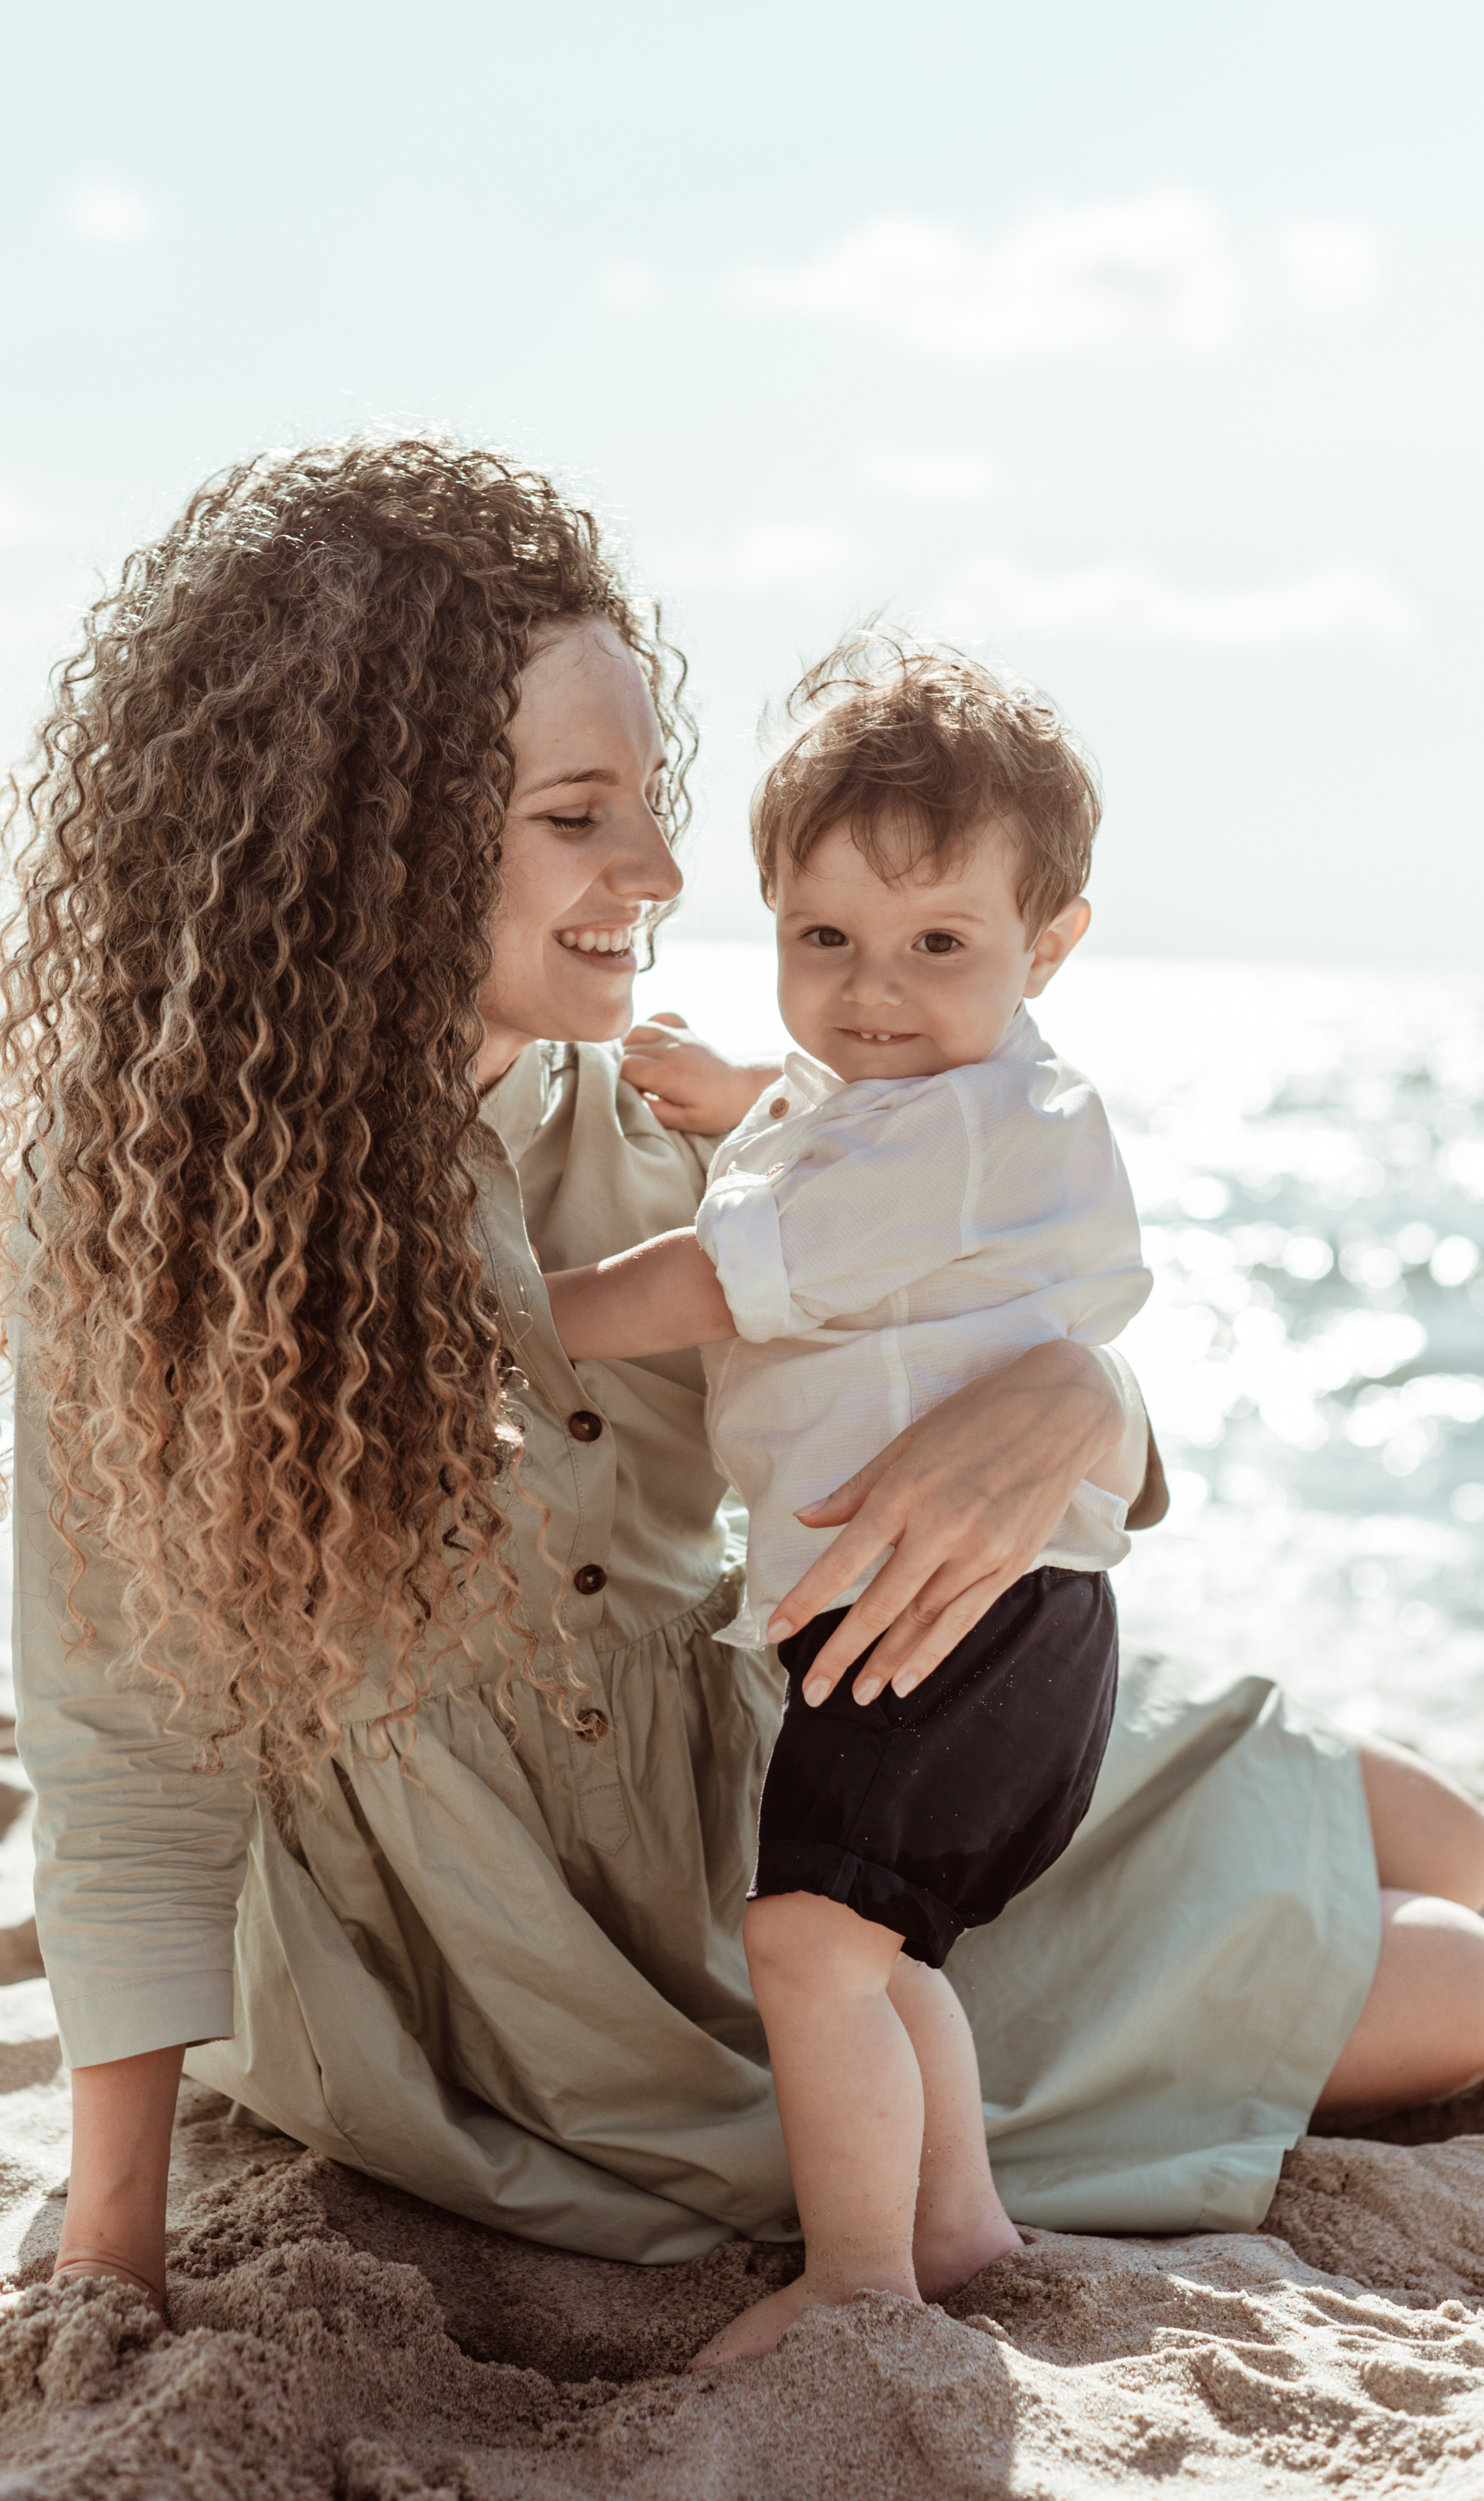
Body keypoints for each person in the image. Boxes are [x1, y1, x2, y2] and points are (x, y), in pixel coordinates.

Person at [0, 436, 1484, 2448]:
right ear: (371, 844)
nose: (654, 874)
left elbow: (941, 1272)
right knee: (1446, 1982)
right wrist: (106, 2244)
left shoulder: (632, 1110)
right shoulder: (177, 1220)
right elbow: (124, 1746)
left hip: (765, 1751)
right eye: (578, 816)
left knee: (1393, 1796)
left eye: (651, 805)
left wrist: (1096, 1400)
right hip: (550, 1973)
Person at [546, 637, 1154, 2358]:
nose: (871, 993)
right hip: (973, 1616)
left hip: (962, 1617)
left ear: (1050, 946)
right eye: (825, 942)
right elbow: (844, 1133)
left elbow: (716, 1285)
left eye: (936, 946)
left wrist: (518, 1315)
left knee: (808, 1944)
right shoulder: (938, 1099)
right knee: (880, 1952)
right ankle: (954, 2229)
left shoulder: (972, 1125)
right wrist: (757, 1101)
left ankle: (861, 2281)